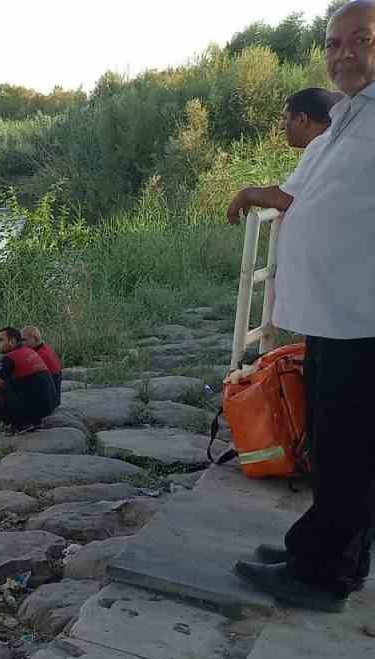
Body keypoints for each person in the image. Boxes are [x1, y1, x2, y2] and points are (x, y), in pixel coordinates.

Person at [228, 2, 375, 613]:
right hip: (337, 314)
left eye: (361, 39)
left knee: (349, 449)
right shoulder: (353, 114)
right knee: (336, 442)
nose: (344, 52)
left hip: (363, 318)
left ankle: (323, 576)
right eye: (334, 42)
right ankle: (317, 548)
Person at [225, 87, 345, 224]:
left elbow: (286, 198)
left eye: (285, 118)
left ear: (301, 119)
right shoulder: (338, 140)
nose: (282, 126)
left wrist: (245, 195)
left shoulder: (323, 143)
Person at [0, 327, 58, 433]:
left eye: (1, 340)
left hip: (36, 408)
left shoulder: (10, 357)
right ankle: (31, 420)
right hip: (49, 405)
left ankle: (20, 423)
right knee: (9, 384)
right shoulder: (28, 351)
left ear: (12, 341)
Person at [21, 326, 65, 406]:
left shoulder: (38, 355)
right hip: (53, 399)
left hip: (46, 403)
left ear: (35, 338)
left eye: (24, 340)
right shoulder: (46, 348)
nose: (21, 343)